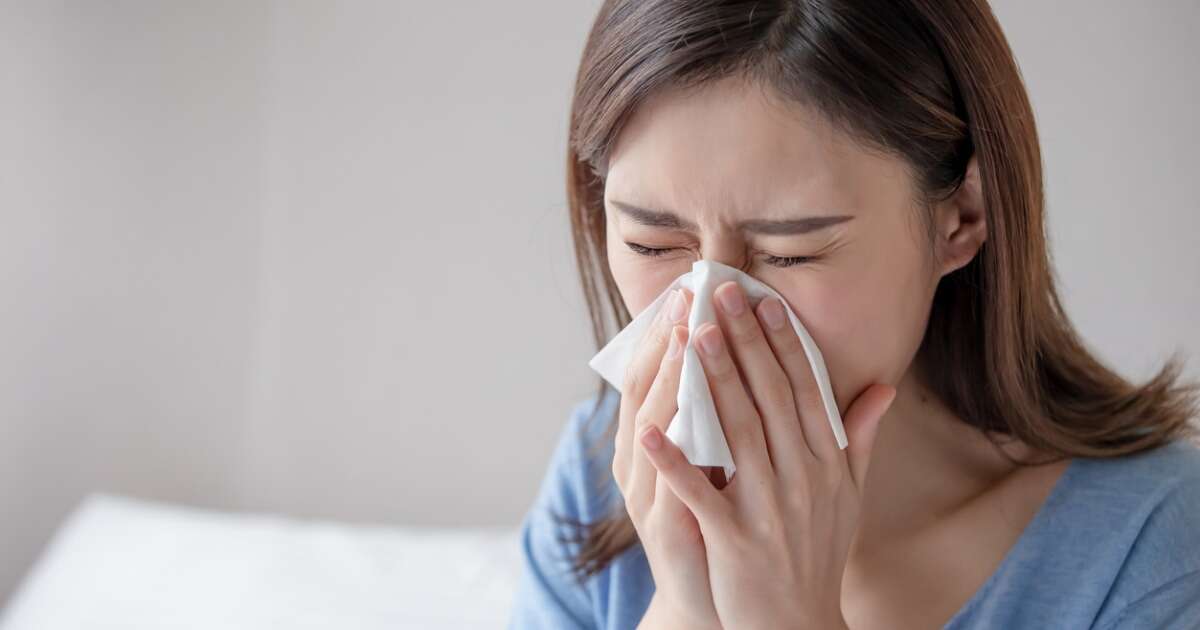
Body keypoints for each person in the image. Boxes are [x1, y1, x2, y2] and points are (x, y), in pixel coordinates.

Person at [508, 0, 1200, 628]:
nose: (711, 323)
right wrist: (687, 610)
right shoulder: (600, 476)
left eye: (791, 253)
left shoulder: (1152, 553)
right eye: (652, 242)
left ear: (962, 216)